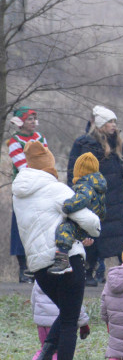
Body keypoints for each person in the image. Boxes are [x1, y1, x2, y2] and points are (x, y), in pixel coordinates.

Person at [14, 142, 100, 360]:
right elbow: (87, 219)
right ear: (49, 164)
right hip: (67, 260)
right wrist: (96, 228)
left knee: (66, 313)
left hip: (40, 269)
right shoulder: (56, 189)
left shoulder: (19, 195)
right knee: (70, 320)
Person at [67, 105, 123, 287]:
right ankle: (88, 272)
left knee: (122, 238)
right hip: (92, 199)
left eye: (114, 122)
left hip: (116, 200)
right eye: (109, 122)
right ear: (100, 124)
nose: (113, 125)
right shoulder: (83, 144)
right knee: (92, 236)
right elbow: (72, 172)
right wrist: (73, 193)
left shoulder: (118, 144)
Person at [7, 106, 47, 282]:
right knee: (21, 226)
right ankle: (23, 267)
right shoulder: (14, 141)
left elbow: (46, 159)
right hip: (24, 187)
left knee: (39, 226)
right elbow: (23, 166)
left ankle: (38, 266)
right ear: (21, 122)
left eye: (33, 119)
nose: (32, 122)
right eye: (29, 119)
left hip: (41, 186)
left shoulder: (40, 138)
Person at [49, 153, 106, 274]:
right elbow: (103, 211)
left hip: (79, 225)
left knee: (64, 229)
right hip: (90, 227)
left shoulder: (85, 186)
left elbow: (81, 199)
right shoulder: (98, 188)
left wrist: (67, 206)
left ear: (78, 171)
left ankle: (62, 258)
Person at [30, 282, 90, 360]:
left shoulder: (40, 279)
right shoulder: (68, 279)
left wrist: (36, 316)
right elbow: (75, 305)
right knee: (57, 351)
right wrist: (83, 322)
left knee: (44, 348)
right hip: (59, 322)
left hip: (42, 324)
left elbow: (33, 300)